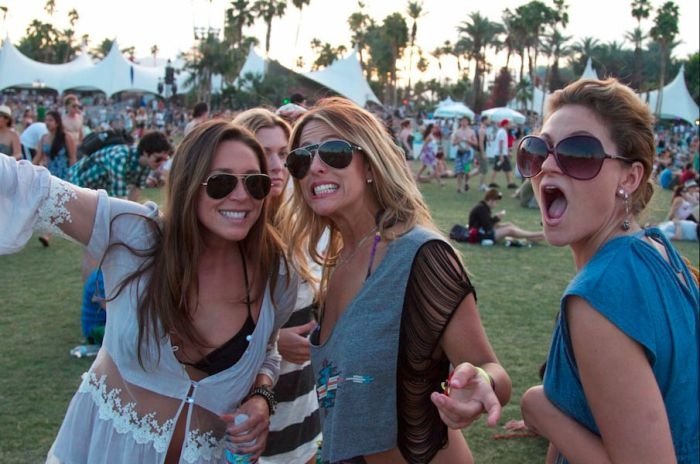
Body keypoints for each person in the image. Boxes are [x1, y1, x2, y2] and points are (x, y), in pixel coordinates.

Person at [0, 120, 300, 463]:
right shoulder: (135, 235)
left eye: (255, 183)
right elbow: (29, 186)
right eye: (221, 182)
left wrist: (261, 395)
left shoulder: (276, 272)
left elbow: (268, 347)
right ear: (189, 184)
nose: (242, 195)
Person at [282, 97, 511, 463]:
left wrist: (481, 382)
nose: (316, 168)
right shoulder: (338, 259)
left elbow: (491, 368)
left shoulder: (420, 254)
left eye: (334, 152)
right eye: (301, 159)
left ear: (370, 164)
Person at [517, 78, 698, 463]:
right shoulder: (661, 255)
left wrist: (541, 409)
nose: (548, 165)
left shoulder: (600, 295)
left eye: (579, 153)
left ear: (629, 178)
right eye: (538, 150)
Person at [234, 108, 322, 464]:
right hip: (246, 414)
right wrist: (272, 343)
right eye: (263, 152)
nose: (275, 164)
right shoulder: (230, 231)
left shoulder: (305, 226)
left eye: (283, 153)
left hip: (303, 407)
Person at [68, 130, 171, 202]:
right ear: (145, 153)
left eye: (164, 160)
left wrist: (132, 214)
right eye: (158, 159)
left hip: (97, 191)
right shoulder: (120, 157)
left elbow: (136, 189)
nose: (161, 163)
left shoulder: (146, 164)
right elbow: (120, 197)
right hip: (77, 184)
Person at [33, 110, 78, 246]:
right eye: (46, 120)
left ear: (57, 122)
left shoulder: (66, 138)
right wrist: (28, 169)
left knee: (55, 204)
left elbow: (72, 157)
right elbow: (38, 157)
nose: (47, 123)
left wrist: (72, 175)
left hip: (64, 176)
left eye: (51, 120)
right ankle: (50, 231)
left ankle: (47, 234)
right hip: (49, 175)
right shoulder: (44, 138)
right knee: (49, 204)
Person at [467, 188, 545, 245]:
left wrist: (496, 219)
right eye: (496, 202)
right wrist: (497, 218)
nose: (496, 204)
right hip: (480, 235)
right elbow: (488, 227)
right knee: (509, 230)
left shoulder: (484, 207)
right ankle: (537, 234)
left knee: (509, 224)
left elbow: (487, 223)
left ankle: (531, 237)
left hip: (483, 231)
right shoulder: (481, 208)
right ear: (491, 200)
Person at [452, 116, 477, 192]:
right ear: (460, 122)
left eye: (465, 121)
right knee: (459, 171)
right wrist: (458, 141)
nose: (464, 122)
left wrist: (469, 141)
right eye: (462, 121)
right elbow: (453, 143)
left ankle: (466, 183)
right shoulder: (457, 132)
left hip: (467, 153)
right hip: (459, 152)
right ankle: (459, 187)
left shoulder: (471, 132)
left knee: (466, 171)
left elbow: (476, 143)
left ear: (468, 122)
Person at [489, 119, 516, 189]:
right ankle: (510, 183)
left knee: (497, 168)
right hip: (501, 154)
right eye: (509, 124)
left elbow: (503, 144)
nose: (510, 126)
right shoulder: (502, 132)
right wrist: (502, 154)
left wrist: (507, 152)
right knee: (507, 168)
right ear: (505, 125)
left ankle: (492, 182)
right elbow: (501, 143)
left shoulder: (502, 131)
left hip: (501, 153)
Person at [476, 115, 490, 191]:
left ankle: (467, 177)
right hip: (481, 152)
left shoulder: (484, 129)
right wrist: (483, 153)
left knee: (481, 169)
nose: (489, 121)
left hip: (481, 151)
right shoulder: (482, 130)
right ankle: (480, 185)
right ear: (484, 120)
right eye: (488, 120)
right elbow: (480, 142)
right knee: (484, 169)